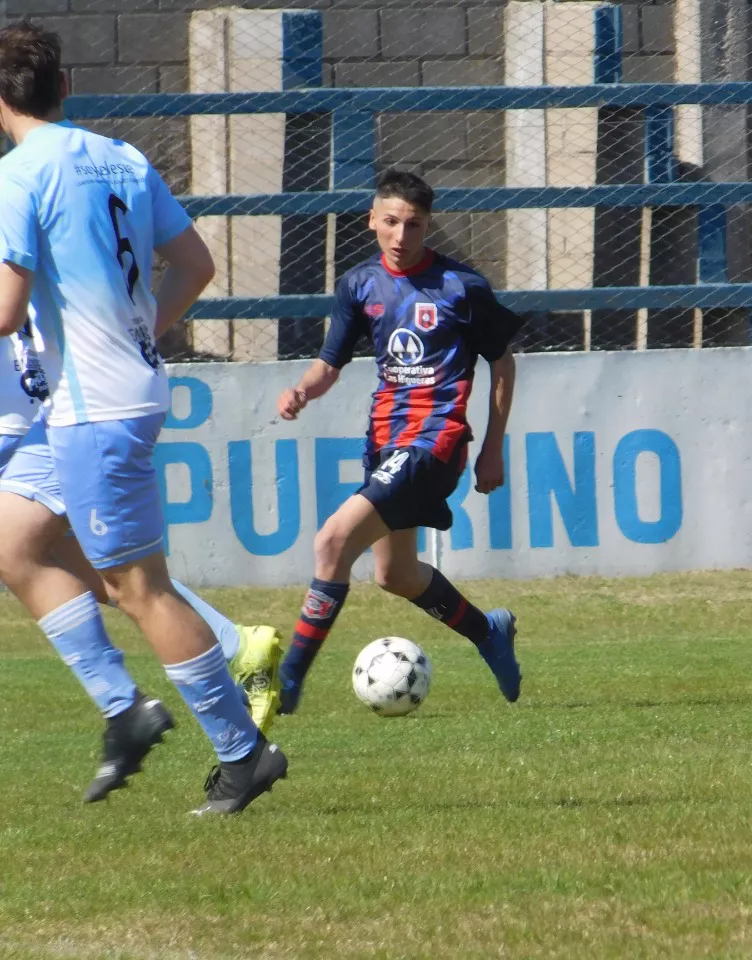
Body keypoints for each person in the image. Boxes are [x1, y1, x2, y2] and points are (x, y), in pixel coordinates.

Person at [0, 21, 286, 814]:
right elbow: (196, 264)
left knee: (139, 589)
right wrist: (139, 334)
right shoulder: (121, 157)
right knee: (13, 540)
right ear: (64, 89)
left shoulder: (20, 176)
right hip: (103, 398)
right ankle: (123, 712)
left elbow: (5, 310)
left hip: (95, 410)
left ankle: (243, 755)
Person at [0, 324, 286, 802]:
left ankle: (146, 706)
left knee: (118, 577)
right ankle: (228, 665)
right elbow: (193, 264)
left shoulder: (42, 249)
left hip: (52, 418)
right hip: (70, 407)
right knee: (102, 573)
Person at [275, 168, 522, 714]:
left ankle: (287, 679)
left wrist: (492, 447)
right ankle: (488, 632)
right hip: (385, 442)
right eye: (391, 222)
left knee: (332, 542)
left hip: (436, 442)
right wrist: (302, 391)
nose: (401, 235)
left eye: (413, 224)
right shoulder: (360, 285)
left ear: (427, 225)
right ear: (372, 222)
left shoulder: (463, 287)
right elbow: (328, 365)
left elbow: (502, 362)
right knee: (396, 574)